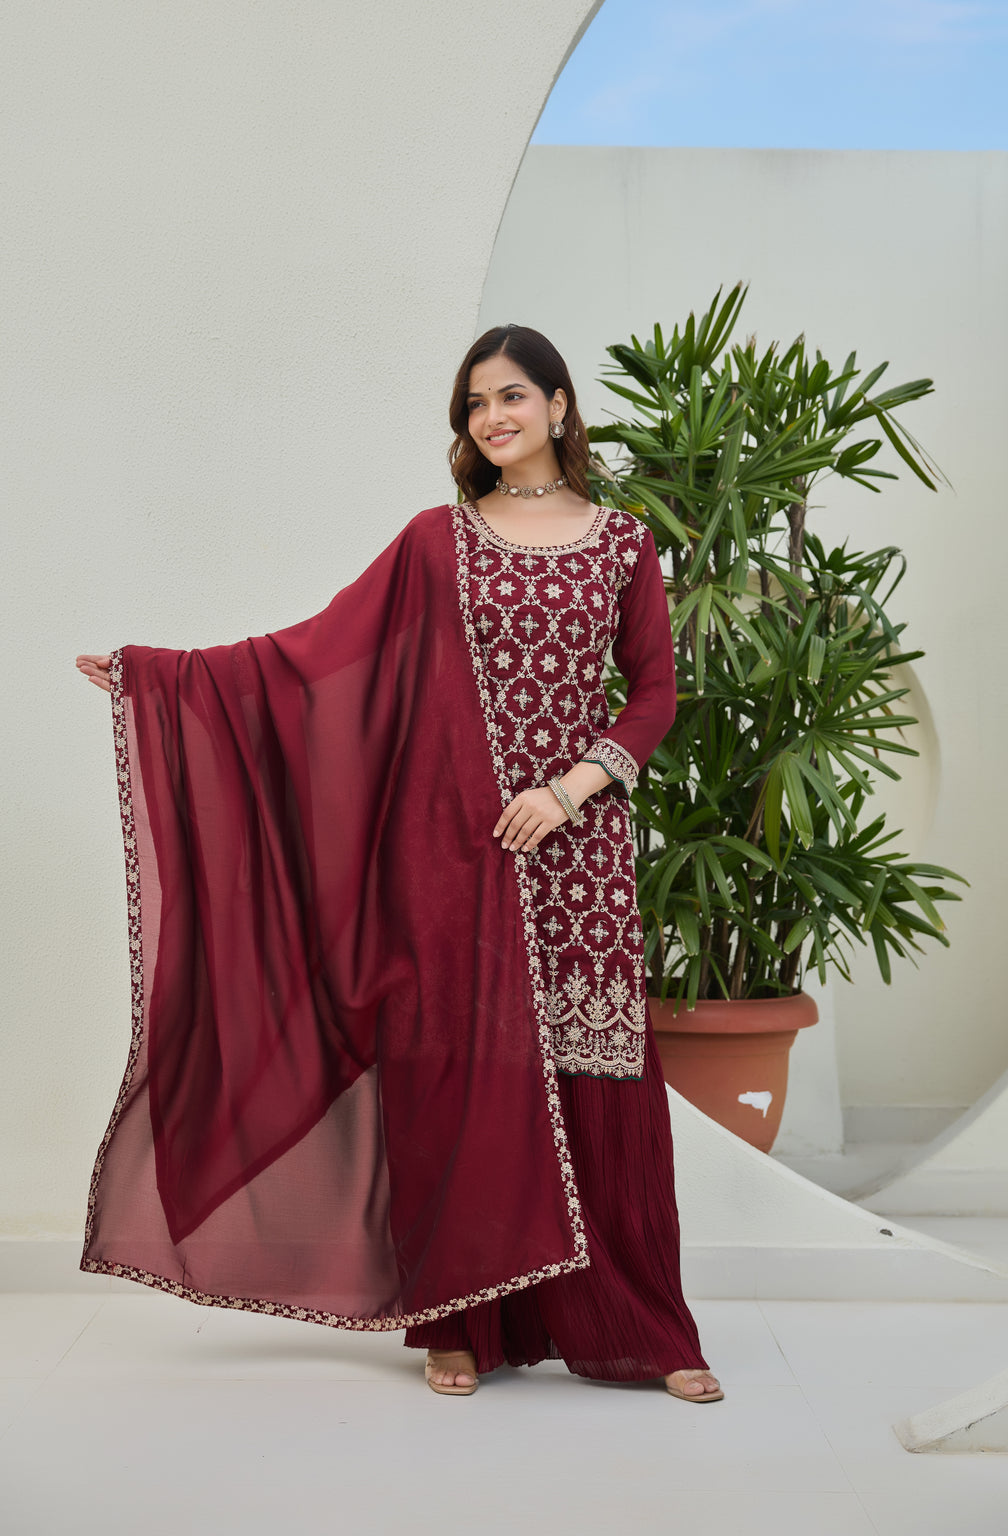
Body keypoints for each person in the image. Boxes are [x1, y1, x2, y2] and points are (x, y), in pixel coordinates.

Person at [75, 323, 723, 1405]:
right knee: (457, 1078)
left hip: (578, 857)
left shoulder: (621, 545)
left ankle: (644, 1327)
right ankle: (457, 1322)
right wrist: (164, 681)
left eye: (512, 396)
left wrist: (568, 791)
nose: (493, 419)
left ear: (560, 406)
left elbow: (652, 694)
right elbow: (315, 653)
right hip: (453, 857)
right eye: (474, 406)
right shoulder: (438, 541)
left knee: (597, 1080)